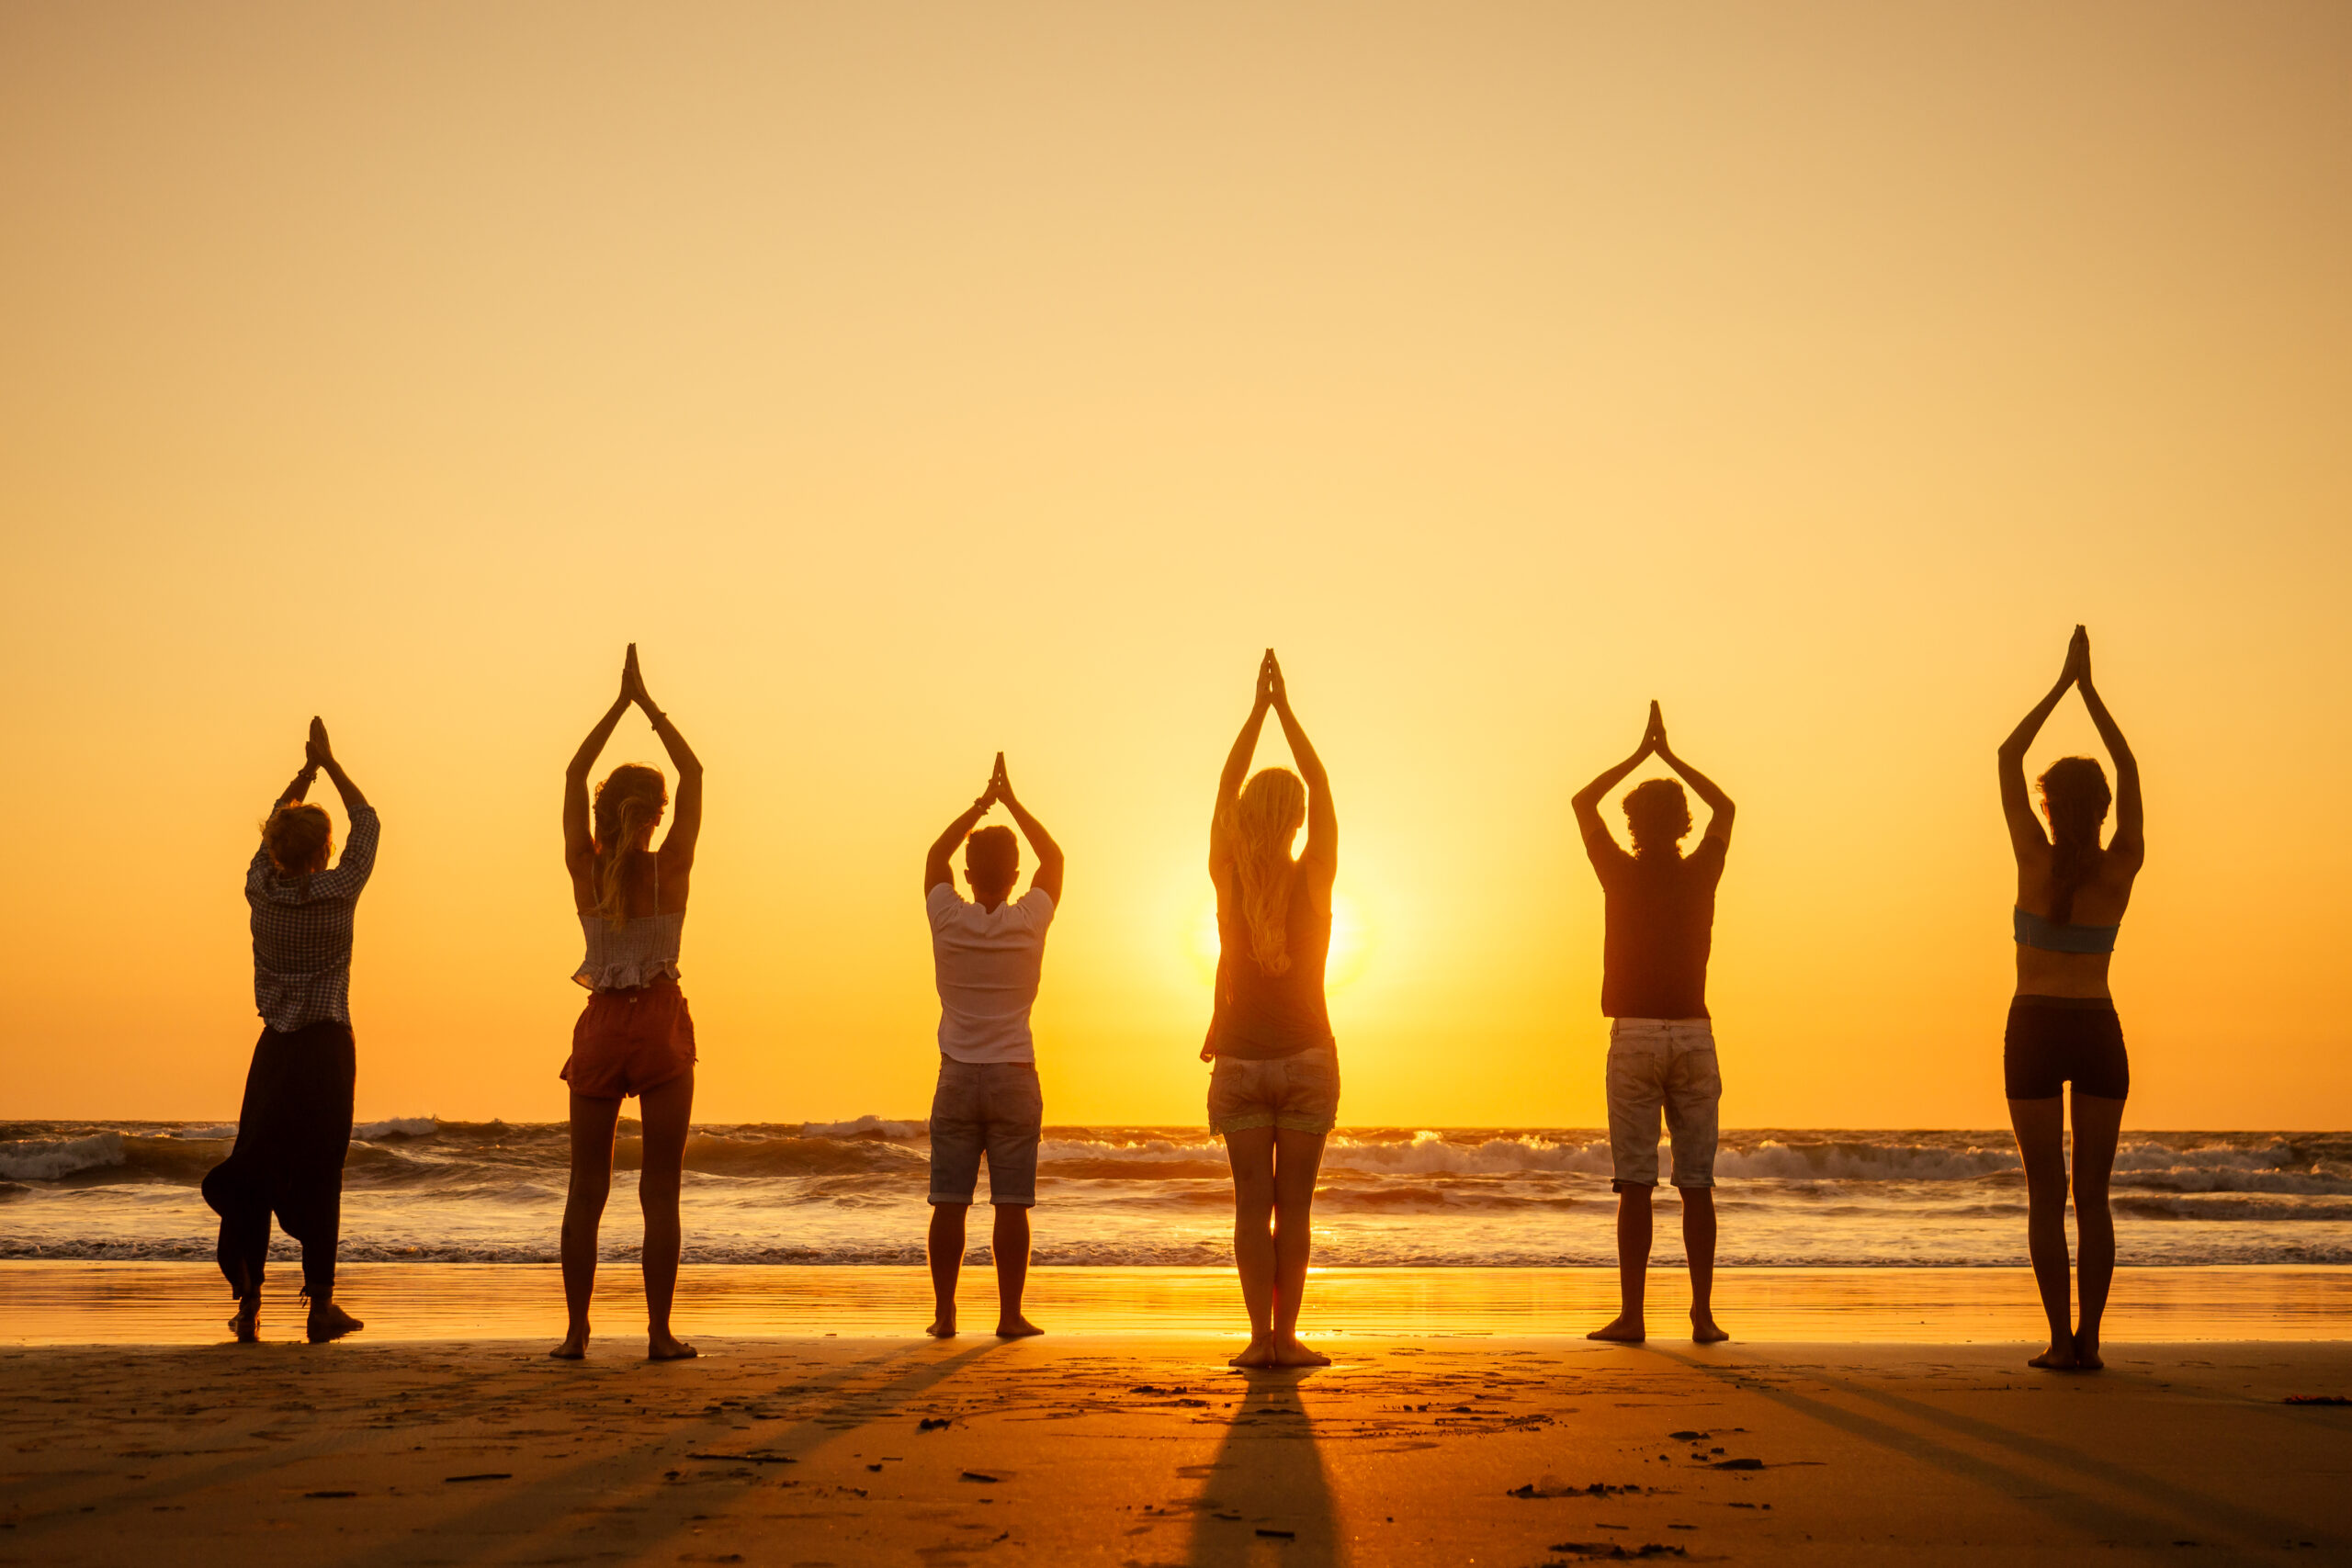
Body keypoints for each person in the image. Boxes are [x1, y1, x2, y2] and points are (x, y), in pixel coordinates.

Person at [551, 645, 704, 1362]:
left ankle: (578, 1333)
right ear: (656, 814)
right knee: (660, 1188)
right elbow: (697, 770)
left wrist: (615, 707)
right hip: (661, 1020)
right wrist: (650, 707)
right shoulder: (669, 868)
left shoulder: (586, 866)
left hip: (603, 1024)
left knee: (587, 1187)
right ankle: (658, 1332)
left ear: (605, 816)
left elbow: (575, 774)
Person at [203, 716, 377, 1345]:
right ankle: (320, 1303)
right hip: (326, 1048)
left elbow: (276, 826)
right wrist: (330, 765)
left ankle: (249, 1304)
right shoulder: (338, 892)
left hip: (273, 1049)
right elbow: (370, 824)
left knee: (255, 1162)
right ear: (322, 850)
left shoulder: (260, 890)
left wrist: (301, 775)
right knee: (320, 1170)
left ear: (276, 847)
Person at [1998, 625, 2143, 1371]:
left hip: (2034, 1027)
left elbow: (2005, 757)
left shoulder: (2031, 855)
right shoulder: (2122, 862)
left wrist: (2060, 684)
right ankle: (2090, 1342)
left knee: (2044, 1194)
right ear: (2106, 805)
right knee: (2094, 1195)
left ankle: (2061, 1340)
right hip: (2096, 1028)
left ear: (2047, 804)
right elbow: (2128, 763)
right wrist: (2093, 691)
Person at [1573, 700, 1734, 1345]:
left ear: (1633, 826)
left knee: (1634, 1183)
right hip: (1693, 1034)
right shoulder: (1701, 872)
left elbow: (1584, 802)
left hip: (1636, 1035)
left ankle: (1635, 1315)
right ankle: (1702, 1314)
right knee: (1697, 1183)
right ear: (1683, 823)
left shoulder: (1619, 871)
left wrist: (1641, 755)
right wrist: (1673, 758)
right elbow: (1726, 809)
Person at [1204, 650, 1340, 1369]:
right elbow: (1319, 782)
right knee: (1297, 1206)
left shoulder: (1227, 877)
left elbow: (1225, 782)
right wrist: (1287, 709)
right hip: (1310, 1058)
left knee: (1251, 1205)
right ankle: (1288, 1338)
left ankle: (1259, 1338)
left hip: (1242, 1062)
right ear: (1295, 821)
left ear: (1247, 817)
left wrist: (1255, 711)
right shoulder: (1314, 875)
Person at [922, 752, 1065, 1339]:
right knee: (1012, 1202)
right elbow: (1053, 859)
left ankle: (945, 1314)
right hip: (1013, 1073)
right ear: (1012, 877)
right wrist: (1013, 802)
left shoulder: (947, 918)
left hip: (957, 1073)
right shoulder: (1029, 919)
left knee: (948, 1201)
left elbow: (933, 857)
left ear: (967, 873)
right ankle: (1008, 1315)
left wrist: (979, 805)